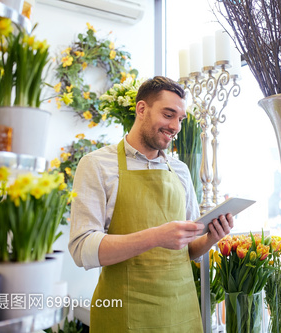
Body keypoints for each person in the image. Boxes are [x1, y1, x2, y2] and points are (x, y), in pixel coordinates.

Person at [68, 76, 234, 332]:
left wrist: (213, 236)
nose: (176, 126)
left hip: (181, 312)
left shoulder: (180, 171)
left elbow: (188, 249)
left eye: (180, 119)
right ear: (142, 109)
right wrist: (156, 236)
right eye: (168, 115)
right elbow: (83, 250)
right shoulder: (97, 165)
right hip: (124, 314)